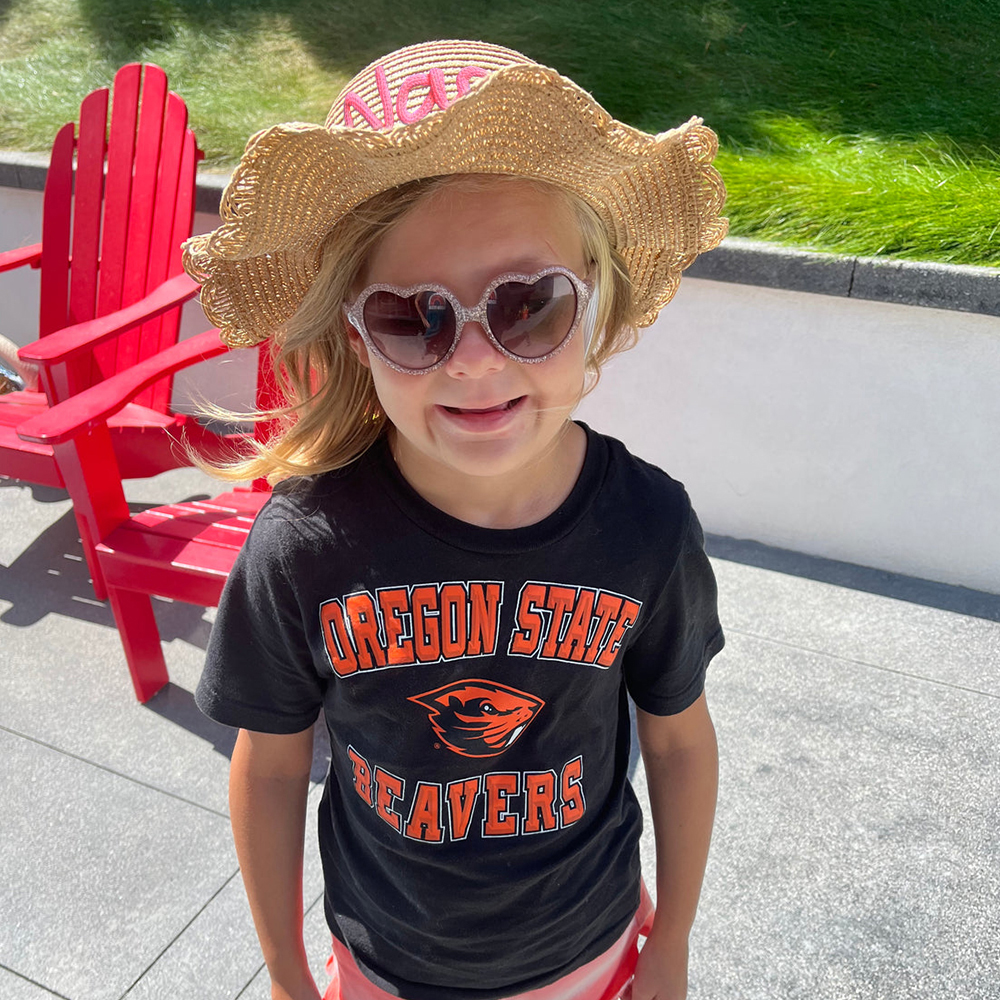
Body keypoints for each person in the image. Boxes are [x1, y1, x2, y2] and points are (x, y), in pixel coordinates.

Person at [184, 39, 728, 1000]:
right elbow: (269, 769)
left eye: (528, 306)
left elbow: (677, 739)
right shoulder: (303, 548)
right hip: (382, 967)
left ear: (594, 304)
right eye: (413, 318)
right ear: (357, 335)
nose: (476, 362)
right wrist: (283, 975)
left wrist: (674, 940)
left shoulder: (647, 524)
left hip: (593, 953)